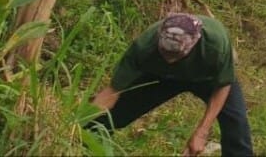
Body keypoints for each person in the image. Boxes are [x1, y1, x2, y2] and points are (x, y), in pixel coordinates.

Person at [89, 13, 253, 157]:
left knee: (236, 127)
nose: (170, 59)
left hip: (208, 79)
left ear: (195, 42)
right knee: (114, 114)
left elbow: (223, 85)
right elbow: (113, 91)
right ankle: (83, 140)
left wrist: (202, 132)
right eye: (166, 53)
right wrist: (78, 121)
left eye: (176, 55)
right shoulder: (144, 46)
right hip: (163, 76)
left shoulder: (216, 45)